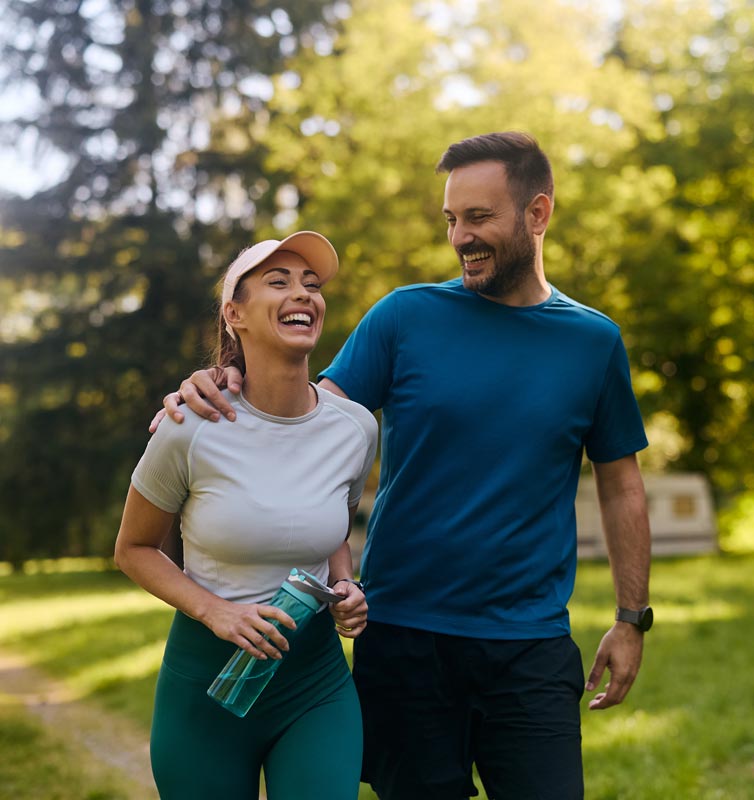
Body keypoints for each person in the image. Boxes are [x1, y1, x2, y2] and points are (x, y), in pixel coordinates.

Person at [154, 132, 652, 800]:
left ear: (538, 215)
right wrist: (219, 382)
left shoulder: (594, 342)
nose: (461, 237)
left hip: (530, 647)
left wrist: (631, 617)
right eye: (452, 219)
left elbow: (621, 485)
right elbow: (300, 424)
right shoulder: (405, 317)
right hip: (405, 643)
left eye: (479, 218)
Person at [116, 231, 378, 800]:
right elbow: (133, 549)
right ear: (235, 314)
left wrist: (344, 583)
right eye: (279, 282)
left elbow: (332, 523)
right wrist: (217, 613)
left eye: (311, 284)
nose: (302, 293)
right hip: (205, 684)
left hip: (314, 684)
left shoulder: (356, 428)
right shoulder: (190, 427)